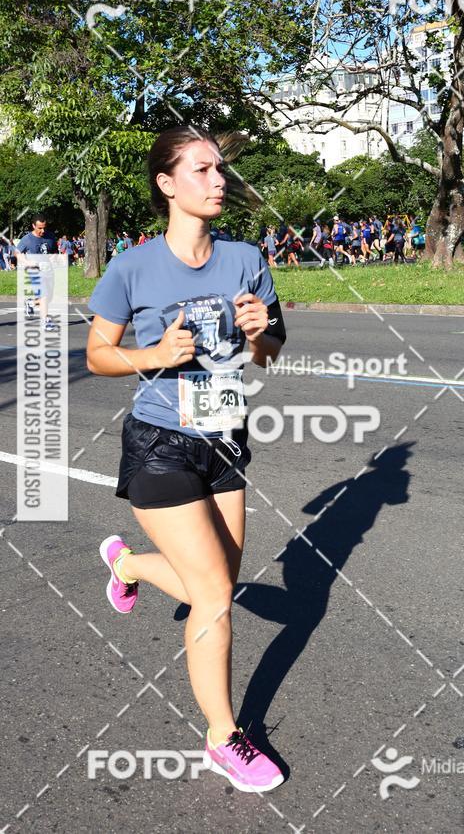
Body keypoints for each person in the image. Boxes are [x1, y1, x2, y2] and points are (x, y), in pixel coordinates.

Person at [87, 125, 287, 792]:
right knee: (214, 597)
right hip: (160, 444)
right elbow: (98, 355)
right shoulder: (132, 267)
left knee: (221, 582)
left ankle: (129, 563)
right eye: (202, 170)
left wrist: (263, 336)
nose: (219, 180)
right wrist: (153, 356)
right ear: (168, 184)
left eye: (221, 169)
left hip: (224, 435)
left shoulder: (247, 257)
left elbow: (271, 351)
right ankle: (223, 737)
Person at [15, 214, 58, 331]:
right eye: (39, 228)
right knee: (44, 296)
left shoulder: (50, 236)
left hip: (48, 271)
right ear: (33, 226)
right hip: (34, 272)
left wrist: (53, 258)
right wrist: (27, 263)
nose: (42, 230)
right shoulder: (27, 239)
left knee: (49, 298)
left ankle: (31, 303)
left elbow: (54, 251)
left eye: (44, 227)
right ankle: (45, 322)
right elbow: (17, 253)